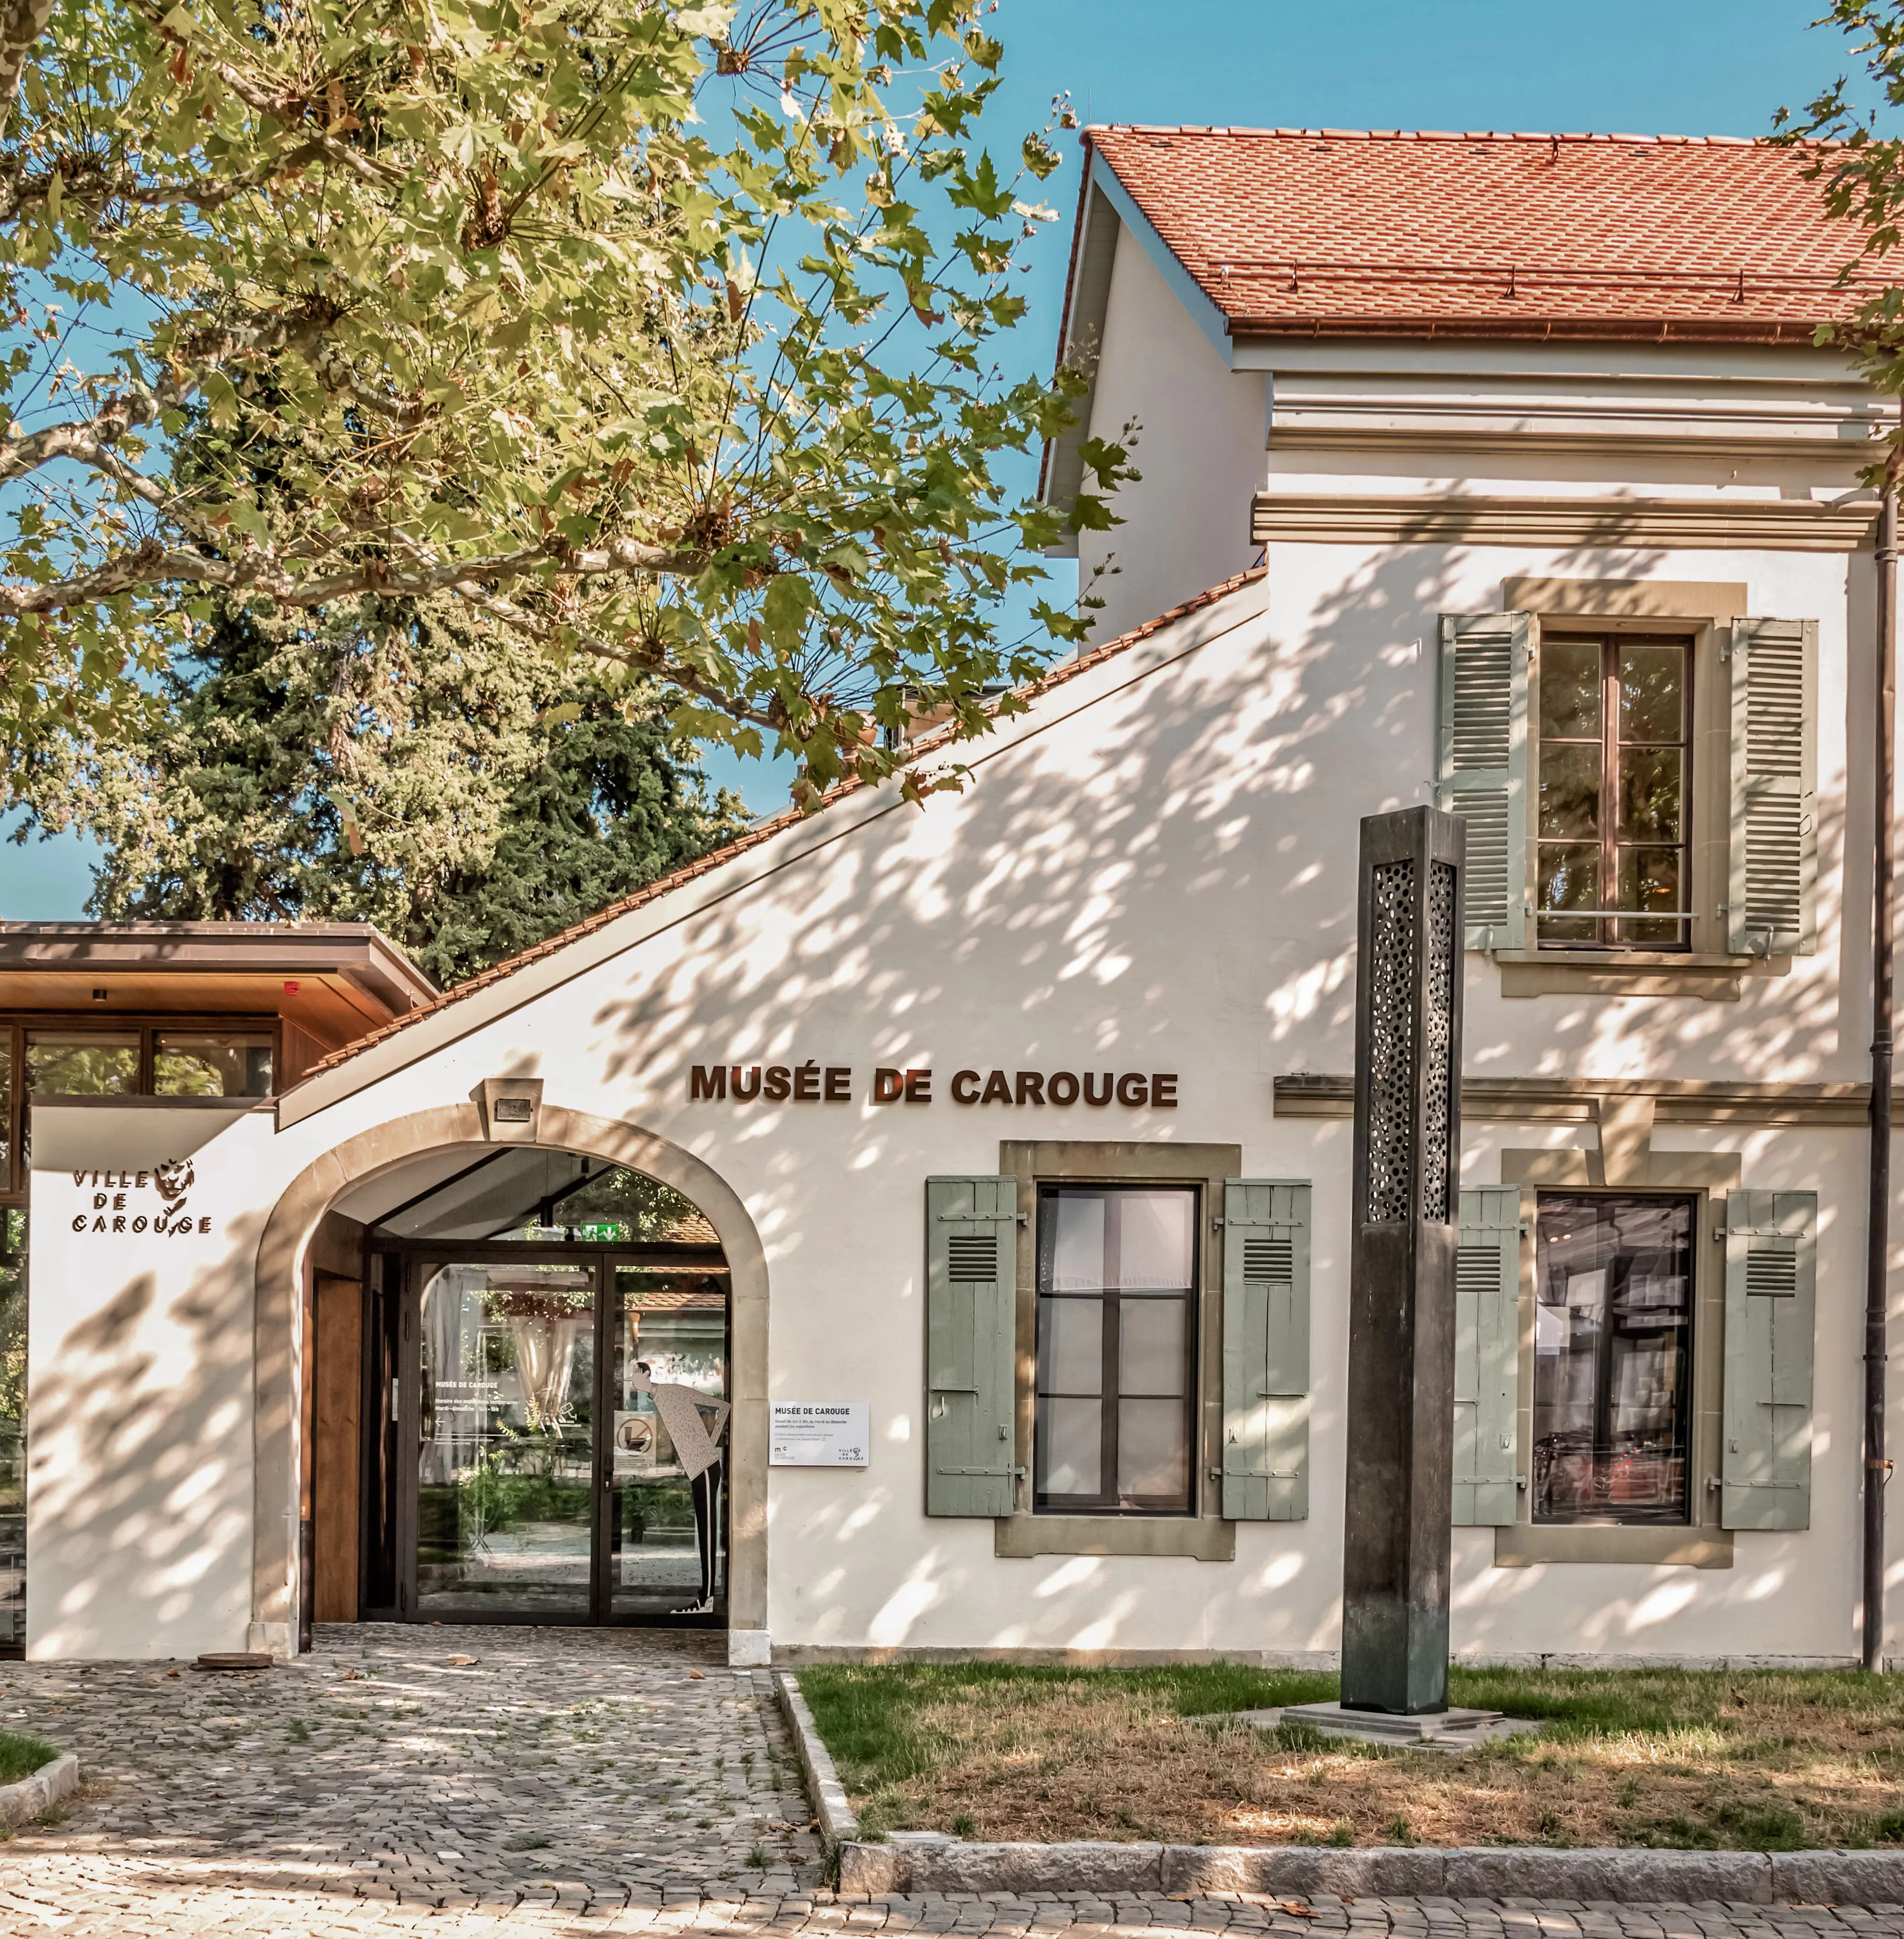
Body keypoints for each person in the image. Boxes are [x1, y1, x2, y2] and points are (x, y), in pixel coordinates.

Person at [628, 1360, 729, 1612]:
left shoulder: (671, 1391)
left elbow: (723, 1407)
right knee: (705, 1529)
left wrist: (710, 1444)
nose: (633, 1382)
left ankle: (707, 1600)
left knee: (707, 1532)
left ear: (646, 1375)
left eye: (636, 1376)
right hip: (696, 1467)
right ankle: (706, 1597)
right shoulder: (657, 1399)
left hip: (706, 1466)